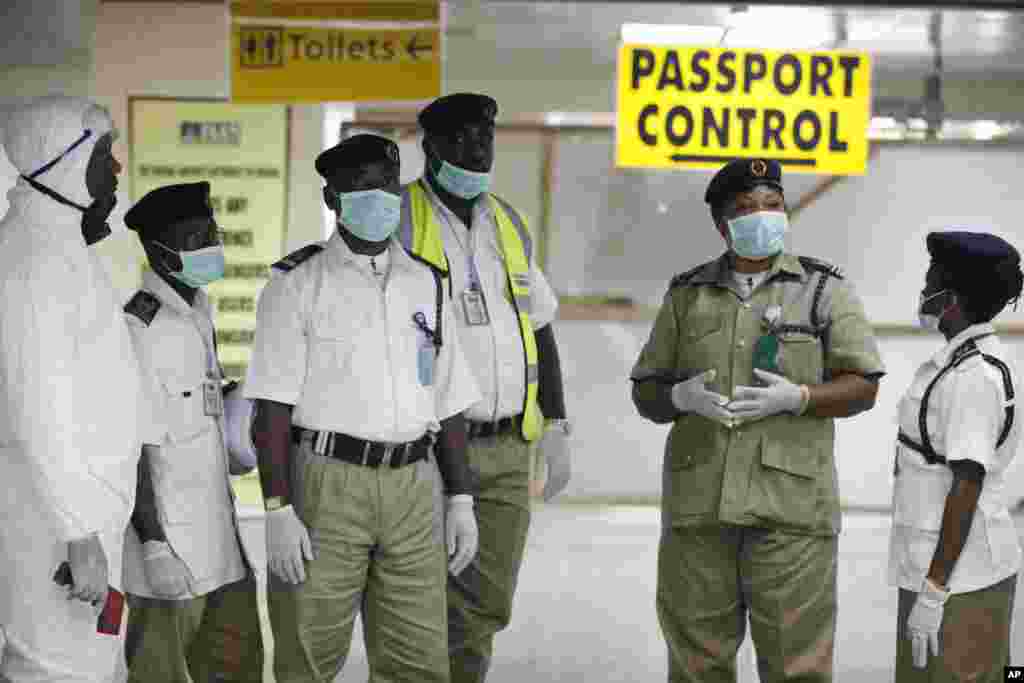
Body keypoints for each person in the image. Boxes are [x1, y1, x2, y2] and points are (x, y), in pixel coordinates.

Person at [630, 157, 886, 682]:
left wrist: (801, 397)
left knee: (798, 666)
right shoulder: (688, 295)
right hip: (700, 514)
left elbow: (864, 384)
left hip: (791, 514)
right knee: (697, 664)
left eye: (773, 205)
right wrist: (678, 397)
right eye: (747, 209)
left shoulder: (823, 289)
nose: (763, 216)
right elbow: (646, 392)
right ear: (722, 225)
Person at [244, 134, 481, 683]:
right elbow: (271, 411)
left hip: (415, 486)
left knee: (418, 657)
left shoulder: (426, 281)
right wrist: (277, 508)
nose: (378, 198)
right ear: (332, 198)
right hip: (327, 485)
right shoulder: (296, 285)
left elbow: (447, 401)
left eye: (386, 186)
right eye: (360, 187)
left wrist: (461, 497)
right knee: (309, 650)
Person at [397, 92, 572, 683]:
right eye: (462, 140)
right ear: (432, 147)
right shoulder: (399, 217)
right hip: (425, 445)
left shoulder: (507, 221)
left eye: (486, 139)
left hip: (505, 448)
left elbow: (540, 324)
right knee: (425, 595)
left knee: (487, 600)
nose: (477, 152)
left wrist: (556, 422)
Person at [0, 95, 154, 680]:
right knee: (54, 670)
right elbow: (39, 404)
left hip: (85, 516)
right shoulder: (30, 256)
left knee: (90, 666)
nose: (116, 168)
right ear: (63, 160)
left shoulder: (62, 245)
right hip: (56, 524)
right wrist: (76, 531)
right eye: (104, 152)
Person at [119, 181, 263, 682]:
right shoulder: (141, 328)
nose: (210, 245)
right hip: (170, 554)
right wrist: (154, 546)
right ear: (160, 251)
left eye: (212, 232)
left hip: (222, 539)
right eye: (195, 236)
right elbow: (133, 446)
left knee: (240, 669)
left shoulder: (198, 310)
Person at [890, 231, 1023, 679]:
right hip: (935, 567)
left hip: (959, 580)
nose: (924, 293)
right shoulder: (956, 363)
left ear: (952, 299)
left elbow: (967, 484)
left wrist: (933, 592)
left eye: (931, 283)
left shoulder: (975, 378)